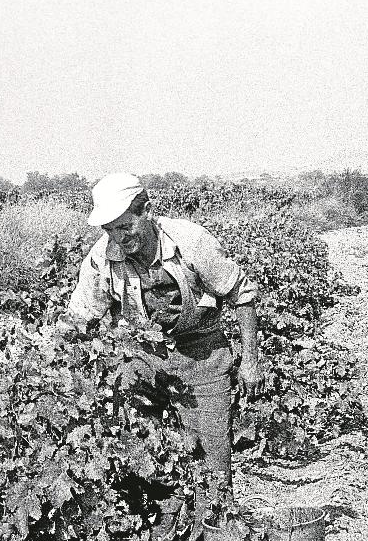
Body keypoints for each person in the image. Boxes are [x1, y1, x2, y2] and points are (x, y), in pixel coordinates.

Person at [64, 172, 263, 516]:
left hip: (202, 355)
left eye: (125, 226)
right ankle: (167, 540)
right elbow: (80, 317)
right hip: (142, 360)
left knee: (213, 464)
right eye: (110, 230)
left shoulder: (191, 241)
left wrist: (251, 360)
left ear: (146, 211)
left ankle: (217, 537)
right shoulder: (101, 258)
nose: (119, 237)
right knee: (146, 458)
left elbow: (241, 294)